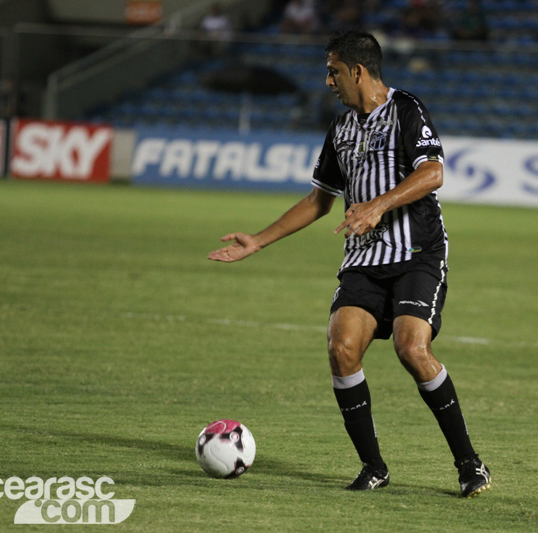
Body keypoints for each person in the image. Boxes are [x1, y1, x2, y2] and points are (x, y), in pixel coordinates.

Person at [208, 30, 491, 498]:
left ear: (357, 71)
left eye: (333, 71)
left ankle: (469, 463)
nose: (327, 81)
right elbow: (321, 200)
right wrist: (258, 240)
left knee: (411, 348)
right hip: (364, 259)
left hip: (417, 253)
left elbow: (433, 172)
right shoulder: (340, 128)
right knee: (342, 350)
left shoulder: (406, 110)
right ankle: (373, 467)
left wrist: (378, 205)